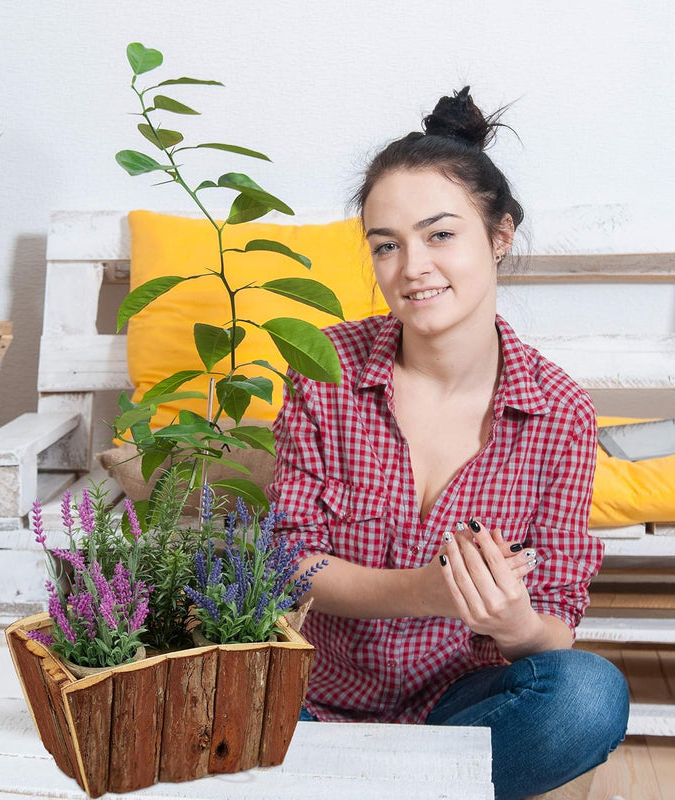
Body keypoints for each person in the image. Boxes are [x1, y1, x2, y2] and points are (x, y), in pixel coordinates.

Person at [267, 87, 629, 800]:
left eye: (440, 235)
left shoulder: (559, 411)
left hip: (462, 711)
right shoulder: (325, 366)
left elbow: (555, 634)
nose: (412, 267)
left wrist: (512, 620)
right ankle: (412, 788)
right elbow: (287, 564)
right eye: (386, 245)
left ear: (499, 236)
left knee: (589, 697)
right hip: (311, 700)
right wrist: (427, 592)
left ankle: (364, 787)